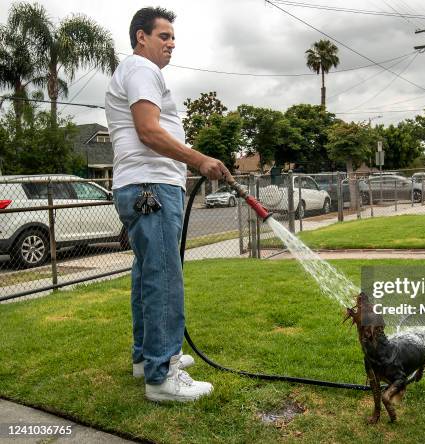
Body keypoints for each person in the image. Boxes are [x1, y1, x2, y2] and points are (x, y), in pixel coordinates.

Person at [105, 7, 232, 402]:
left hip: (142, 185)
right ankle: (163, 376)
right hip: (151, 185)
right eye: (164, 36)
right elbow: (147, 130)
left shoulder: (133, 71)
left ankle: (147, 358)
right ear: (141, 37)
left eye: (173, 38)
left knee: (148, 273)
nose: (171, 44)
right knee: (163, 276)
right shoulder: (142, 69)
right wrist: (199, 160)